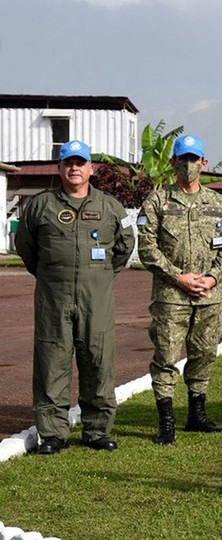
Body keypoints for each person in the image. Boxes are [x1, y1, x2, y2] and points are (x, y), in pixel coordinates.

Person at [16, 140, 134, 454]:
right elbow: (26, 247)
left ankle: (97, 430)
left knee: (98, 358)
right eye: (68, 163)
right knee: (52, 360)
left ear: (90, 168)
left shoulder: (110, 206)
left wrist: (101, 276)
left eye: (80, 163)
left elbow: (125, 246)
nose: (74, 168)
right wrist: (51, 272)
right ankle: (53, 433)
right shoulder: (41, 205)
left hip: (96, 297)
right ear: (59, 167)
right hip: (53, 297)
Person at [138, 135, 222, 445]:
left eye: (195, 160)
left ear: (204, 163)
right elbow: (148, 248)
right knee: (166, 356)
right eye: (183, 159)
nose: (189, 165)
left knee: (204, 354)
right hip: (171, 296)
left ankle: (197, 415)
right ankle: (166, 422)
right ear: (172, 163)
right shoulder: (157, 201)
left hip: (208, 296)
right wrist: (178, 277)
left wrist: (211, 278)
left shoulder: (218, 204)